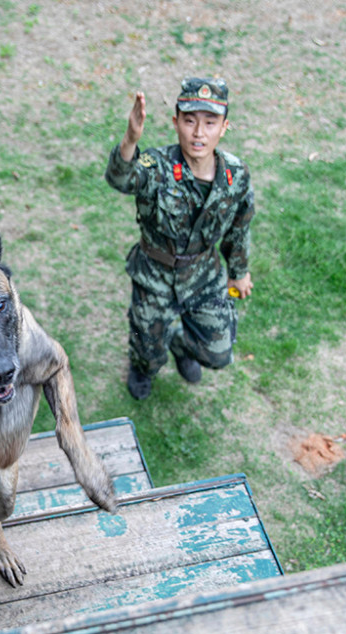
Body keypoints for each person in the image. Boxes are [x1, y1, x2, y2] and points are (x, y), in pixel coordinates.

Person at [105, 77, 255, 400]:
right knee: (147, 349)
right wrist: (130, 139)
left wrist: (239, 271)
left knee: (218, 351)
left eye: (210, 123)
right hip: (154, 276)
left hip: (203, 274)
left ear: (224, 127)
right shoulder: (156, 166)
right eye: (189, 121)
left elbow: (239, 226)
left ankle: (178, 342)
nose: (198, 133)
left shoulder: (235, 175)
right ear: (176, 123)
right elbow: (120, 179)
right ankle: (143, 367)